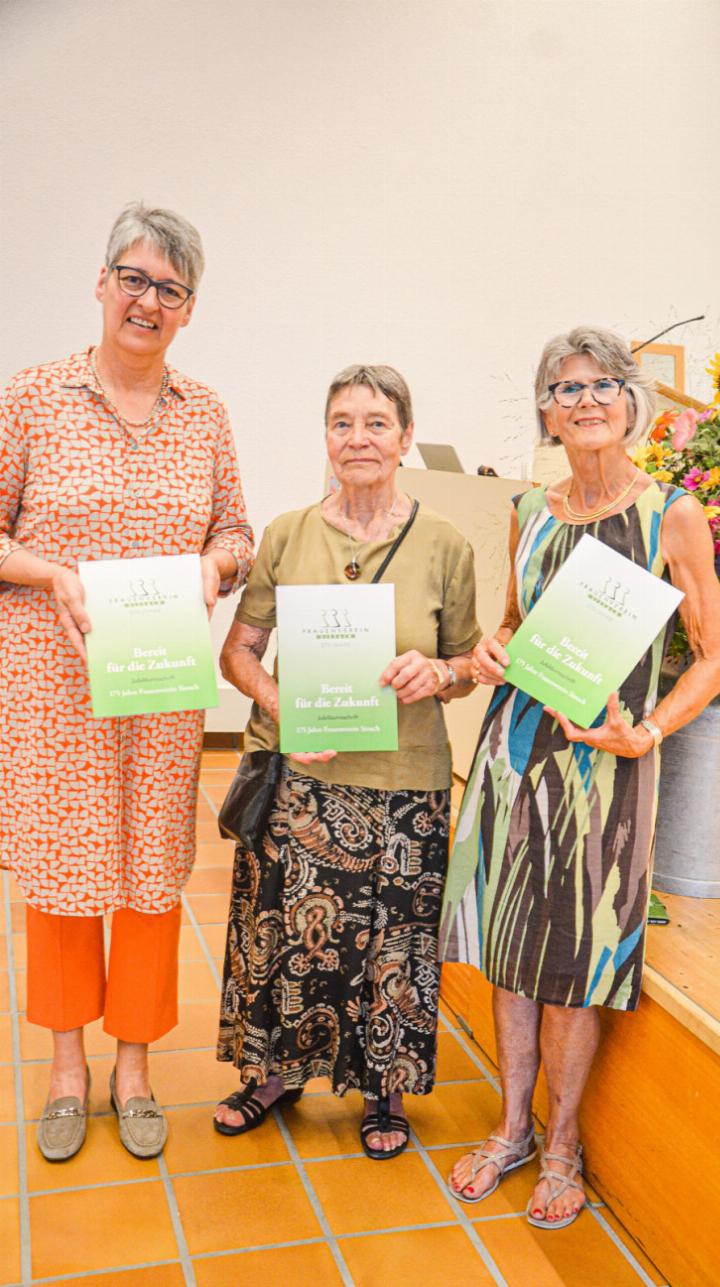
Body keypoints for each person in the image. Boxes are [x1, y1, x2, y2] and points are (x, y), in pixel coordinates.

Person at [440, 326, 720, 1226]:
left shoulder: (668, 512)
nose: (585, 399)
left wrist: (650, 731)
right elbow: (518, 624)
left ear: (631, 402)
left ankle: (564, 1143)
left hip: (606, 770)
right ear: (546, 410)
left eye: (602, 384)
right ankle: (511, 1124)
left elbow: (712, 656)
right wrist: (489, 648)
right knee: (512, 953)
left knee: (575, 960)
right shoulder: (528, 508)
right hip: (514, 758)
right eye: (565, 387)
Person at [0, 203, 253, 1161]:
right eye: (135, 279)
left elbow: (237, 531)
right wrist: (50, 573)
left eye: (171, 289)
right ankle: (67, 1067)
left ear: (189, 311)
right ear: (102, 285)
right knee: (64, 878)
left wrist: (213, 569)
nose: (149, 300)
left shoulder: (208, 413)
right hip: (53, 683)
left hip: (159, 683)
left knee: (152, 872)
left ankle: (135, 1064)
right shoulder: (32, 397)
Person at [214, 364, 480, 1157]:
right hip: (302, 777)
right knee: (286, 934)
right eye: (342, 422)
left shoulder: (445, 544)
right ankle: (272, 1072)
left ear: (405, 436)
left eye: (375, 422)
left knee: (391, 943)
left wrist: (440, 672)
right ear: (325, 437)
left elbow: (467, 663)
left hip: (405, 785)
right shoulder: (288, 533)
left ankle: (384, 1091)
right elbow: (240, 652)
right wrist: (281, 709)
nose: (357, 437)